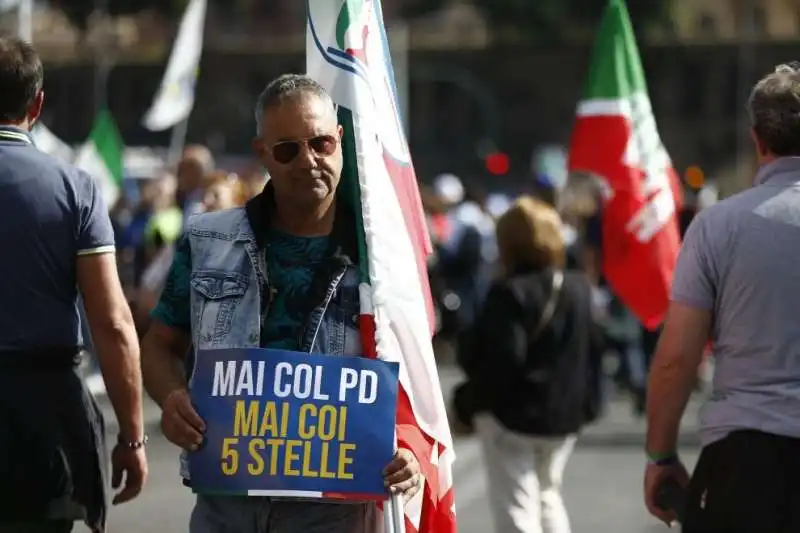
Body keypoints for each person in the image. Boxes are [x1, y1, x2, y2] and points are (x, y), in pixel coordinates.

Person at [140, 73, 421, 533]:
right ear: (263, 153)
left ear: (340, 140)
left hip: (336, 508)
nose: (308, 160)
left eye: (321, 143)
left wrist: (408, 446)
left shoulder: (384, 252)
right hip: (225, 500)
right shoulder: (208, 239)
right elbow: (158, 344)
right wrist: (171, 398)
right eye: (288, 149)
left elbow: (416, 377)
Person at [644, 63, 800, 532]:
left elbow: (677, 359)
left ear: (757, 140)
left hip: (748, 458)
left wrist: (661, 454)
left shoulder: (718, 226)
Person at [0, 37, 147, 533]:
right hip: (44, 425)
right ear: (36, 104)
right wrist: (132, 438)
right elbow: (112, 323)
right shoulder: (75, 189)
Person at [452, 196, 604, 533]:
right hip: (565, 416)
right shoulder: (579, 288)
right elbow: (593, 352)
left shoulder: (509, 293)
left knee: (517, 507)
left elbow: (502, 362)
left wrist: (469, 403)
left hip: (513, 417)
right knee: (548, 495)